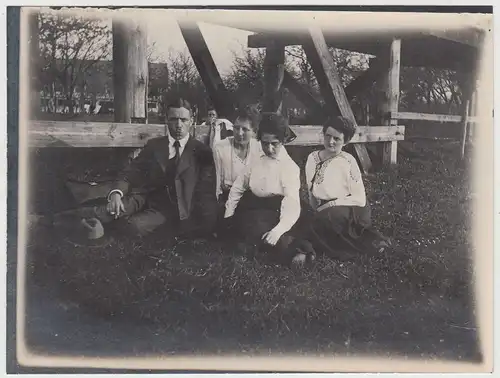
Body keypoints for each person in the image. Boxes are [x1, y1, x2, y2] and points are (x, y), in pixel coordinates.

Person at [55, 98, 218, 239]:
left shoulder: (201, 152)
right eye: (174, 119)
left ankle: (94, 227)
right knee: (104, 211)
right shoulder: (155, 145)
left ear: (191, 121)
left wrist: (205, 224)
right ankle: (48, 219)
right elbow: (131, 172)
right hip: (142, 197)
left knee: (131, 227)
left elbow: (205, 191)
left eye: (183, 120)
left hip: (171, 209)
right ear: (166, 120)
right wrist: (116, 194)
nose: (178, 125)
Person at [223, 112, 315, 265]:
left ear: (283, 141)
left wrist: (278, 230)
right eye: (265, 143)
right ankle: (285, 248)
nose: (269, 148)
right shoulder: (256, 159)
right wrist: (229, 212)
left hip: (280, 209)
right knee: (245, 224)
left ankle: (297, 250)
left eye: (275, 144)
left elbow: (291, 202)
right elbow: (239, 185)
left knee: (270, 229)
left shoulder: (289, 167)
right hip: (255, 205)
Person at [305, 116, 391, 260]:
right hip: (325, 208)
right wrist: (313, 210)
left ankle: (372, 245)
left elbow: (360, 199)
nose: (331, 142)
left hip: (352, 208)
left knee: (327, 220)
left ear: (345, 141)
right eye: (328, 136)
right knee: (310, 221)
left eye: (337, 139)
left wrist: (329, 205)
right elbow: (311, 190)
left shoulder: (348, 161)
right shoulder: (312, 158)